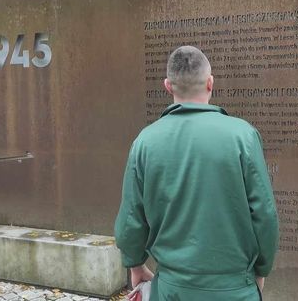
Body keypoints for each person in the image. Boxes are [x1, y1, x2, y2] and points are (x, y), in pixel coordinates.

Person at [115, 45, 279, 300]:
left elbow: (130, 220)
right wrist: (261, 270)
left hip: (172, 289)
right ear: (210, 83)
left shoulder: (145, 142)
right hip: (236, 288)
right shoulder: (243, 136)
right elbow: (265, 215)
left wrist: (135, 265)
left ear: (168, 86)